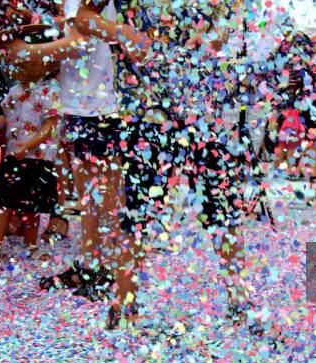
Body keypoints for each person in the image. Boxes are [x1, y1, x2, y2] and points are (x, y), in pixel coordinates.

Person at [75, 0, 279, 337]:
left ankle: (239, 299)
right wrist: (124, 33)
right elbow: (83, 18)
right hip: (148, 110)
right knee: (140, 209)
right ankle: (123, 302)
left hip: (206, 110)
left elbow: (221, 29)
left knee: (222, 206)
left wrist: (212, 39)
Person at [0, 23, 85, 262]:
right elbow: (8, 116)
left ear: (44, 60)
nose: (16, 65)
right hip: (13, 156)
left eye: (23, 60)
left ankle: (31, 244)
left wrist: (29, 145)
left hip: (38, 159)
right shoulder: (14, 91)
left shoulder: (50, 92)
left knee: (31, 207)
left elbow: (51, 125)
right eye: (15, 61)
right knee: (4, 203)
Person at [39, 0, 121, 300]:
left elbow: (80, 41)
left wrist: (28, 50)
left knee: (106, 197)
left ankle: (111, 270)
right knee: (87, 194)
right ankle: (89, 264)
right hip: (80, 106)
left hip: (99, 106)